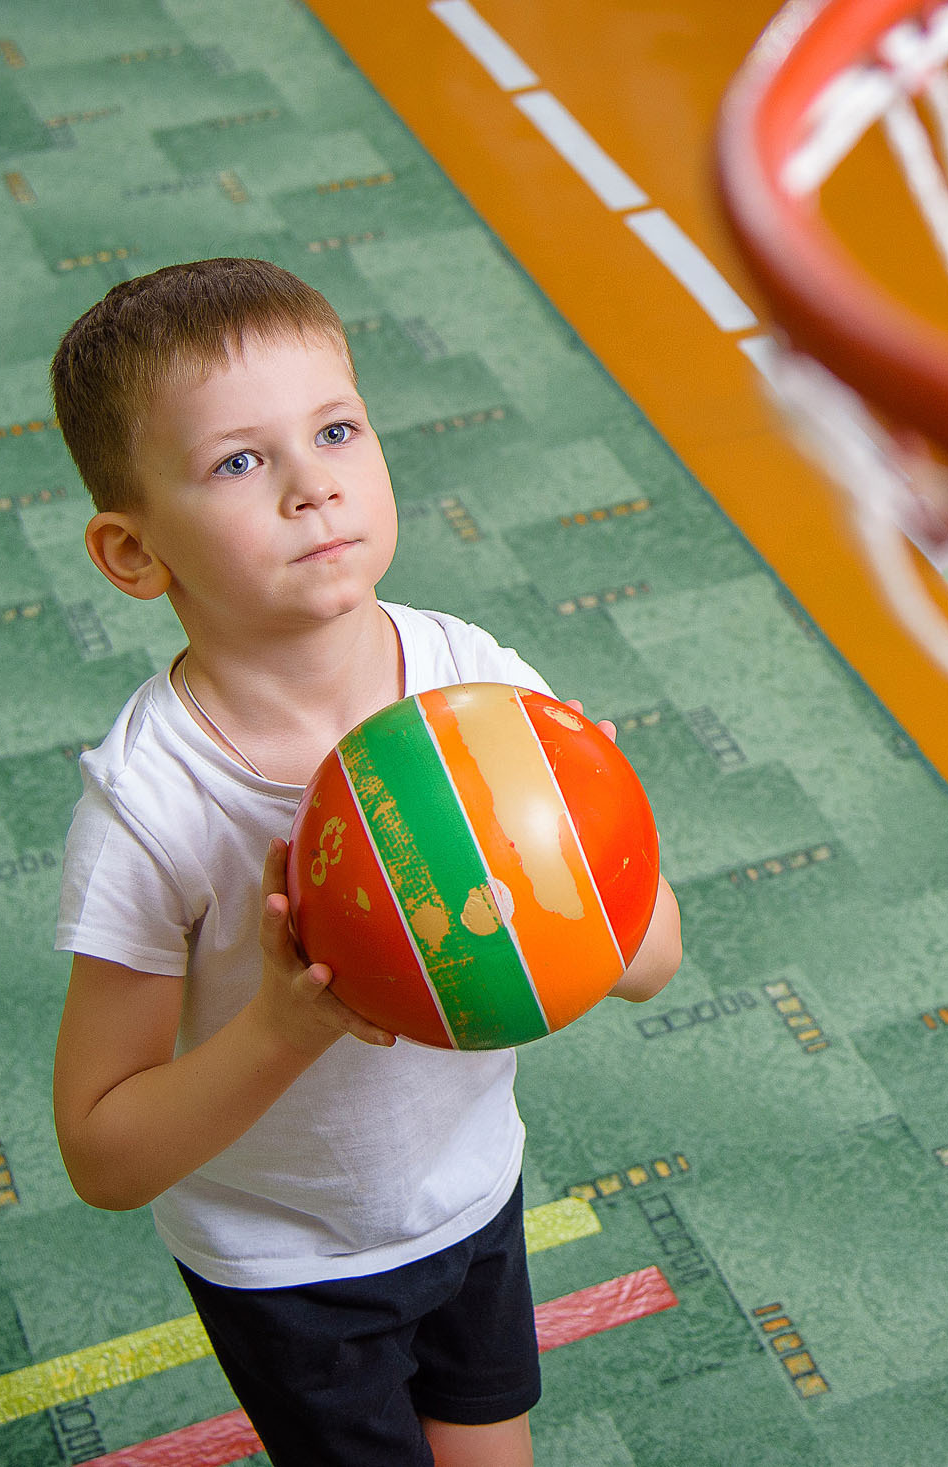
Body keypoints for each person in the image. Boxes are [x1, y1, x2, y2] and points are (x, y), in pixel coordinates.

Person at [47, 257, 683, 1467]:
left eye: (336, 429)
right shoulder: (152, 804)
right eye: (239, 461)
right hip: (291, 1263)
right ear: (134, 556)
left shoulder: (479, 690)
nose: (312, 486)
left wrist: (599, 830)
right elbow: (102, 1151)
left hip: (474, 1192)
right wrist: (287, 1027)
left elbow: (648, 960)